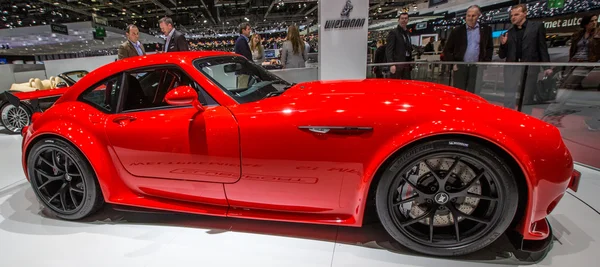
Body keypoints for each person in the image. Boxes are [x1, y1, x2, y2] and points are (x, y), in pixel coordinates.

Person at [498, 4, 552, 108]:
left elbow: (542, 48)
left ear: (525, 13)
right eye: (512, 15)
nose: (513, 17)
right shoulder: (508, 32)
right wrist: (503, 44)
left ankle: (524, 118)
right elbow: (501, 55)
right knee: (509, 95)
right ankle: (507, 118)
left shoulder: (537, 27)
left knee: (527, 96)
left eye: (516, 14)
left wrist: (547, 67)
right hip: (511, 69)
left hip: (530, 68)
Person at [442, 5, 493, 94]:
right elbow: (447, 50)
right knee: (459, 92)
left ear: (478, 16)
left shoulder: (486, 30)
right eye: (468, 15)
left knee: (474, 92)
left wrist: (485, 62)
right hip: (460, 66)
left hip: (477, 67)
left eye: (473, 16)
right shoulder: (457, 31)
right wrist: (454, 63)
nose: (470, 18)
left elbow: (489, 47)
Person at [386, 12, 413, 79]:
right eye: (402, 18)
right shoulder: (394, 33)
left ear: (408, 20)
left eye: (406, 18)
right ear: (398, 20)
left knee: (407, 83)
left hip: (407, 62)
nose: (404, 20)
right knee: (396, 84)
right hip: (397, 63)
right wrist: (391, 64)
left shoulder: (408, 33)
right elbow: (389, 49)